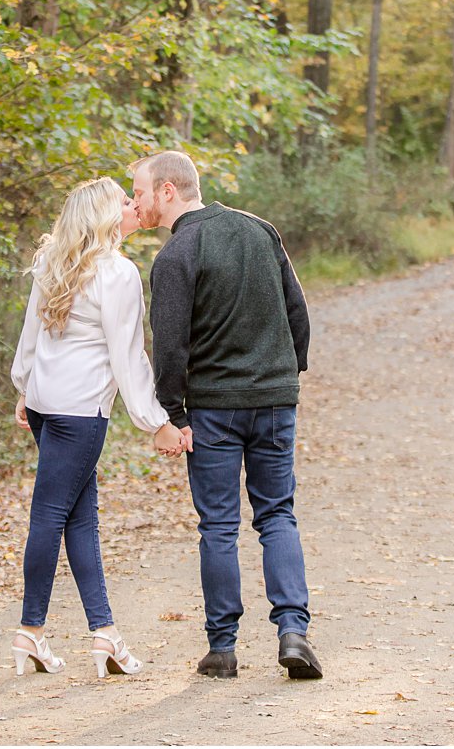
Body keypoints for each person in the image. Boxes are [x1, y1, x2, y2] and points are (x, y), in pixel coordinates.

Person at [129, 150, 322, 680]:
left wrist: (173, 411)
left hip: (213, 409)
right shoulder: (260, 231)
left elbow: (169, 347)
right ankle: (293, 632)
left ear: (169, 190)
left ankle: (223, 648)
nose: (137, 204)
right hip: (274, 401)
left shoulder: (175, 256)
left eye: (141, 193)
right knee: (277, 514)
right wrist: (286, 373)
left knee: (218, 523)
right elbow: (296, 312)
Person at [9, 177, 189, 680]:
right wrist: (157, 423)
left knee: (79, 519)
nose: (135, 206)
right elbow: (128, 357)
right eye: (125, 203)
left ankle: (105, 634)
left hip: (48, 406)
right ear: (107, 217)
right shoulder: (118, 273)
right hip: (80, 413)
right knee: (50, 516)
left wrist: (24, 386)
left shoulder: (55, 262)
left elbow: (31, 332)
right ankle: (32, 629)